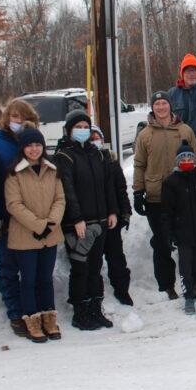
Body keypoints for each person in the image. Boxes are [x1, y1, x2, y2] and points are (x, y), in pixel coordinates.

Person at [132, 90, 196, 300]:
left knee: (187, 242)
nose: (161, 108)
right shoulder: (145, 134)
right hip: (156, 197)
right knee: (162, 242)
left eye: (164, 103)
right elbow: (139, 164)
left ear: (170, 106)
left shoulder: (185, 130)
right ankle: (166, 285)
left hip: (183, 196)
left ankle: (190, 282)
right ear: (152, 108)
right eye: (157, 104)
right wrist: (138, 192)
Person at [54, 109, 118, 331]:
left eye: (85, 128)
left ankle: (95, 309)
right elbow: (67, 190)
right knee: (81, 267)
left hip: (100, 220)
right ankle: (80, 312)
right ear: (69, 130)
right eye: (77, 128)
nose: (82, 131)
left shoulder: (97, 154)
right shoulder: (64, 156)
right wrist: (77, 218)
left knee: (96, 266)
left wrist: (112, 211)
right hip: (78, 224)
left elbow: (107, 185)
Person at [4, 127, 65, 343]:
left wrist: (50, 223)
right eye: (29, 145)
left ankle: (49, 319)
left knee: (45, 279)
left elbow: (60, 199)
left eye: (37, 145)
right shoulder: (15, 173)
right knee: (28, 280)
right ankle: (32, 320)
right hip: (25, 235)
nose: (34, 149)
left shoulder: (52, 169)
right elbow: (14, 204)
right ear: (22, 148)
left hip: (50, 234)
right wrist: (39, 225)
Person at [0, 98, 41, 337]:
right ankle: (15, 312)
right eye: (15, 117)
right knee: (8, 266)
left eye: (25, 117)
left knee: (32, 267)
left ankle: (35, 308)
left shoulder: (34, 142)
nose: (20, 122)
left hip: (33, 216)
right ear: (7, 119)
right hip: (6, 217)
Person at [160, 141, 196, 317]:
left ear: (194, 160)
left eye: (189, 157)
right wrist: (168, 234)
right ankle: (188, 296)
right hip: (182, 234)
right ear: (177, 161)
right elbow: (166, 212)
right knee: (186, 268)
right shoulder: (170, 183)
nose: (186, 160)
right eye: (183, 158)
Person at [90, 125, 134, 306]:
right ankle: (96, 294)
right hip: (92, 219)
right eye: (90, 138)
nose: (94, 141)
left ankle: (122, 290)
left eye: (96, 138)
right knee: (93, 261)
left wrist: (124, 212)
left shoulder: (111, 162)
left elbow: (121, 190)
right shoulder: (84, 163)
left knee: (117, 257)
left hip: (112, 218)